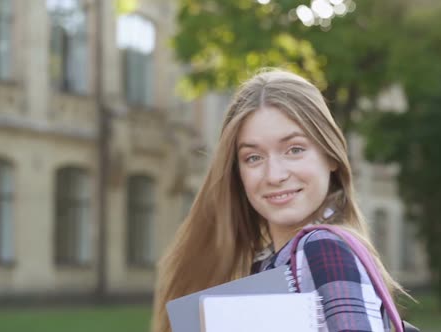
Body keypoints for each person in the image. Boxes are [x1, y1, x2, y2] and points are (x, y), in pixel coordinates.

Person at [151, 68, 406, 332]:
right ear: (238, 173)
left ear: (331, 155)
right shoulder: (271, 263)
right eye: (253, 157)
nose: (274, 175)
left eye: (294, 150)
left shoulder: (322, 248)